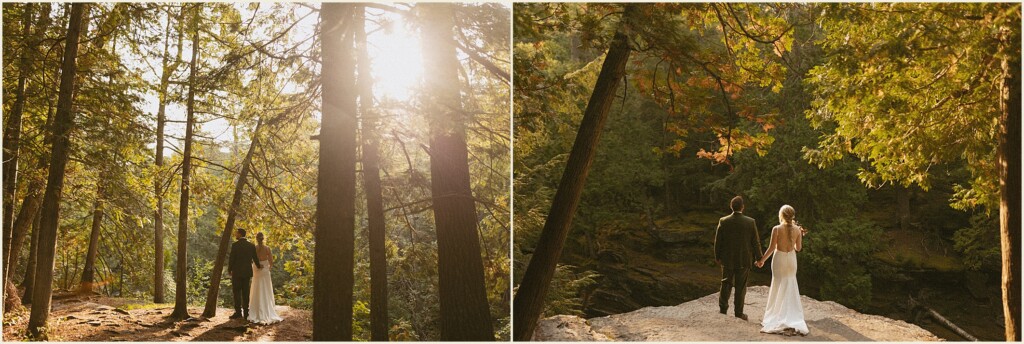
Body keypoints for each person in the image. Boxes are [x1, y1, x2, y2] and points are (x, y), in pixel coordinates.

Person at [755, 205, 809, 336]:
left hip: (779, 259)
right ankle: (791, 315)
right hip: (791, 260)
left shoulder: (776, 229)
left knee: (777, 284)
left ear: (781, 215)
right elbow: (798, 248)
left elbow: (772, 248)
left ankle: (776, 314)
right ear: (792, 216)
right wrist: (800, 235)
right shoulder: (797, 229)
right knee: (790, 284)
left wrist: (761, 260)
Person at [713, 196, 762, 321]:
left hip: (727, 259)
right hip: (744, 259)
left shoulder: (723, 221)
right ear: (742, 207)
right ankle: (739, 313)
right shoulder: (750, 222)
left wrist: (717, 256)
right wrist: (759, 258)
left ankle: (723, 310)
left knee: (726, 283)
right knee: (741, 287)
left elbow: (718, 241)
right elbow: (755, 242)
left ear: (731, 207)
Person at [248, 232, 283, 324]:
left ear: (256, 239)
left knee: (256, 285)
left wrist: (257, 265)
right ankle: (266, 308)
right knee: (266, 287)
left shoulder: (254, 248)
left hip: (256, 267)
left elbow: (251, 259)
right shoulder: (267, 248)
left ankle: (255, 308)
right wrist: (268, 268)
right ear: (263, 239)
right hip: (265, 269)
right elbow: (271, 261)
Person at [228, 228, 261, 320]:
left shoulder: (235, 245)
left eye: (236, 233)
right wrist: (258, 266)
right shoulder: (251, 245)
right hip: (247, 272)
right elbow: (255, 258)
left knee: (236, 292)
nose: (235, 234)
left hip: (237, 272)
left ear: (240, 234)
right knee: (245, 292)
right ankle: (246, 313)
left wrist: (229, 269)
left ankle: (238, 312)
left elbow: (232, 258)